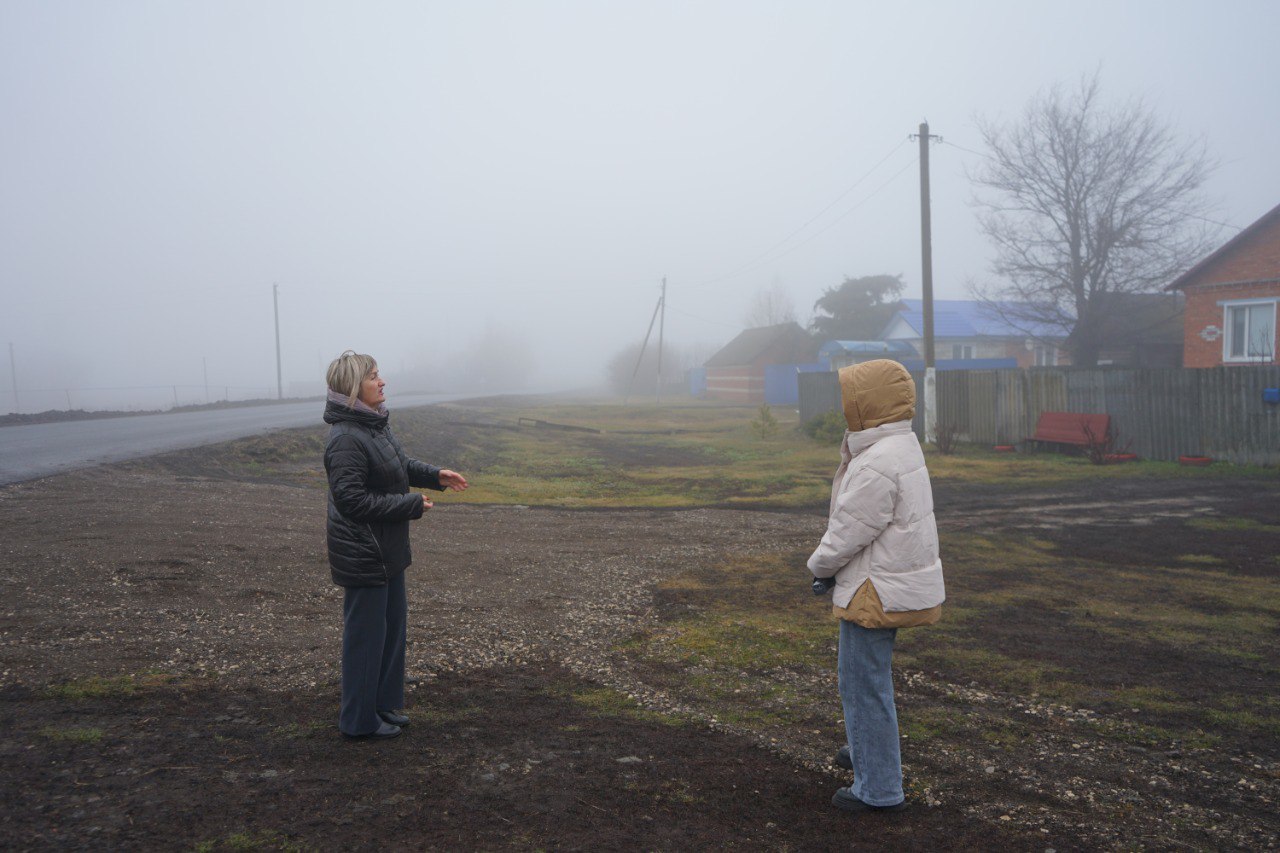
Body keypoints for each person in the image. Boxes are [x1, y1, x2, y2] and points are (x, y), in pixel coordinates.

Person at [807, 359, 945, 813]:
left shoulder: (879, 461)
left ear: (869, 403)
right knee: (865, 679)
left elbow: (850, 529)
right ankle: (868, 750)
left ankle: (879, 788)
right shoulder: (900, 445)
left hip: (875, 588)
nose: (845, 406)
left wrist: (820, 567)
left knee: (862, 684)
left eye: (850, 397)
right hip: (888, 581)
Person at [323, 350, 468, 739]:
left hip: (387, 550)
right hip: (363, 552)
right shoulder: (346, 439)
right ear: (354, 388)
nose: (382, 381)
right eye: (373, 376)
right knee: (366, 641)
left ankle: (383, 705)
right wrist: (408, 504)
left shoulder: (374, 426)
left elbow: (399, 464)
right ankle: (358, 720)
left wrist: (436, 475)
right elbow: (350, 500)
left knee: (390, 632)